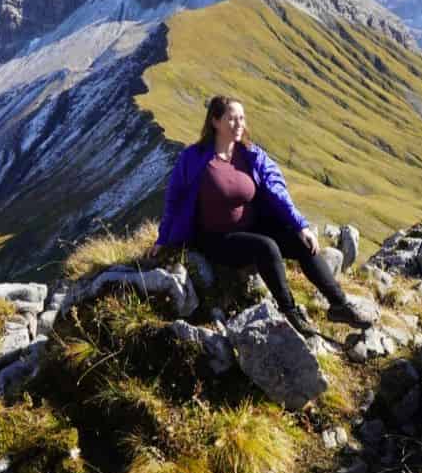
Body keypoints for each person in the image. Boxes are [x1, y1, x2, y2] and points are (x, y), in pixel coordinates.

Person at [154, 95, 371, 334]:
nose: (239, 124)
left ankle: (339, 304)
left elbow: (277, 189)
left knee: (301, 242)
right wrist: (163, 239)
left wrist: (300, 225)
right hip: (215, 238)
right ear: (215, 121)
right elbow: (174, 199)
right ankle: (289, 311)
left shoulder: (251, 154)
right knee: (266, 247)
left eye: (242, 118)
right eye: (232, 119)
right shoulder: (193, 158)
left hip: (252, 226)